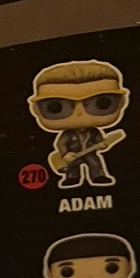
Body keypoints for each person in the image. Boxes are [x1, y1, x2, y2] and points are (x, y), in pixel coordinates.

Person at [28, 60, 129, 191]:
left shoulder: (93, 132)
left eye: (102, 103)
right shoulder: (68, 135)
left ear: (122, 102)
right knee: (72, 168)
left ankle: (98, 177)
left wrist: (102, 144)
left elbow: (100, 141)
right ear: (36, 109)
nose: (79, 113)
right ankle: (71, 178)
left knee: (95, 163)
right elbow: (61, 143)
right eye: (56, 107)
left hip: (89, 153)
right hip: (72, 155)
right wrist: (64, 154)